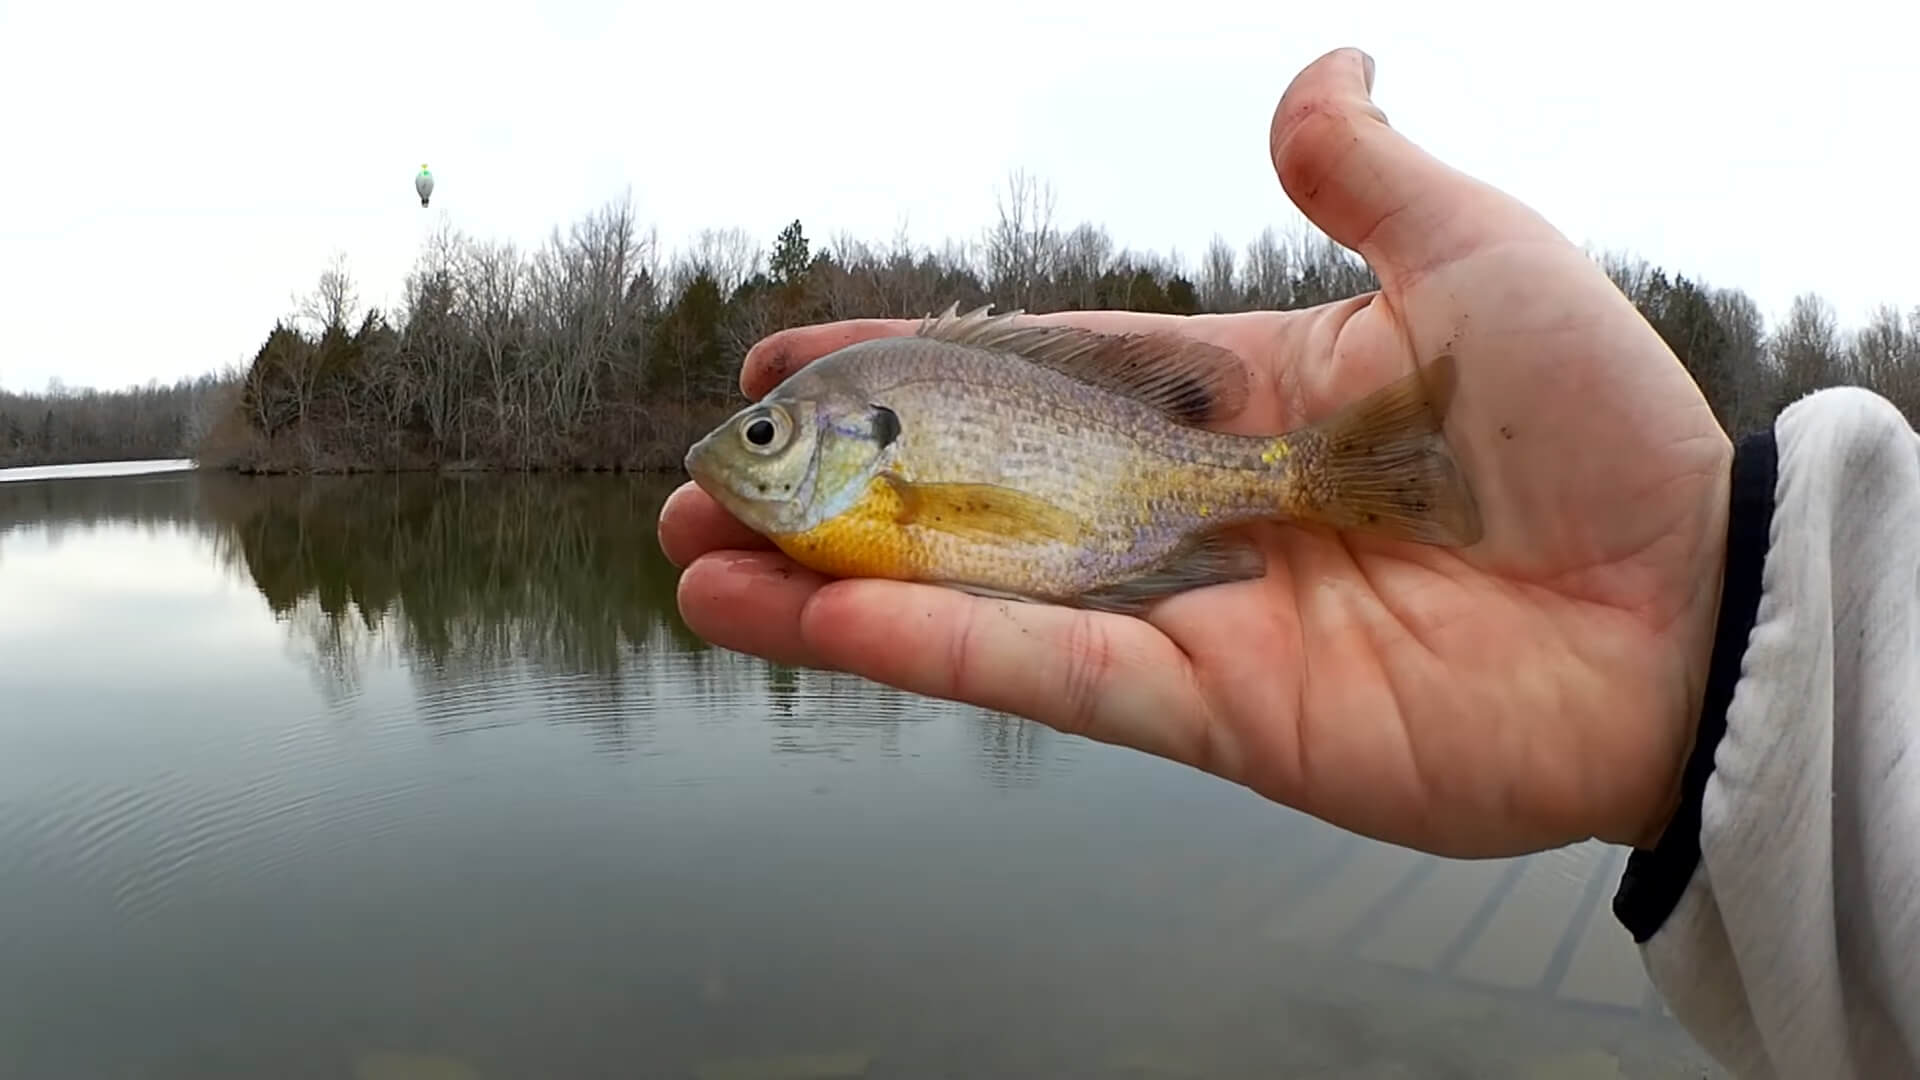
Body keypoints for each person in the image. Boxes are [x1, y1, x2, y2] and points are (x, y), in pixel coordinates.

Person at [656, 46, 1920, 1079]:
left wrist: (1706, 591)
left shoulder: (891, 475)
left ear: (853, 438)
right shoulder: (852, 494)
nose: (741, 453)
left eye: (765, 436)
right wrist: (1719, 617)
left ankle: (1333, 477)